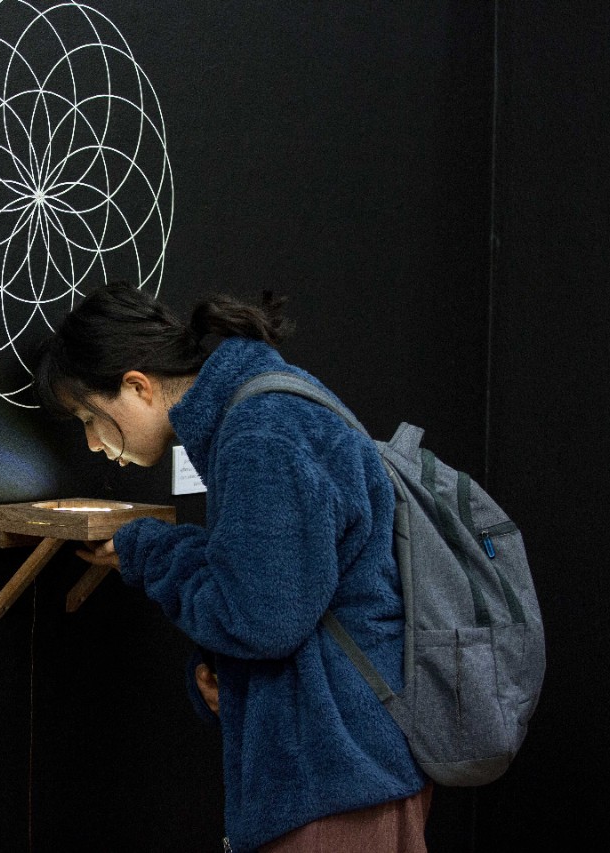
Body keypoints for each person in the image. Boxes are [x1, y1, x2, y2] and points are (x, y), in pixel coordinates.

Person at [33, 283, 431, 852]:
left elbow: (258, 619)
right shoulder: (259, 410)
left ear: (137, 386)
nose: (93, 444)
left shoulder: (259, 434)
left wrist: (147, 550)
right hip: (344, 771)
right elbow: (274, 579)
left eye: (88, 418)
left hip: (334, 784)